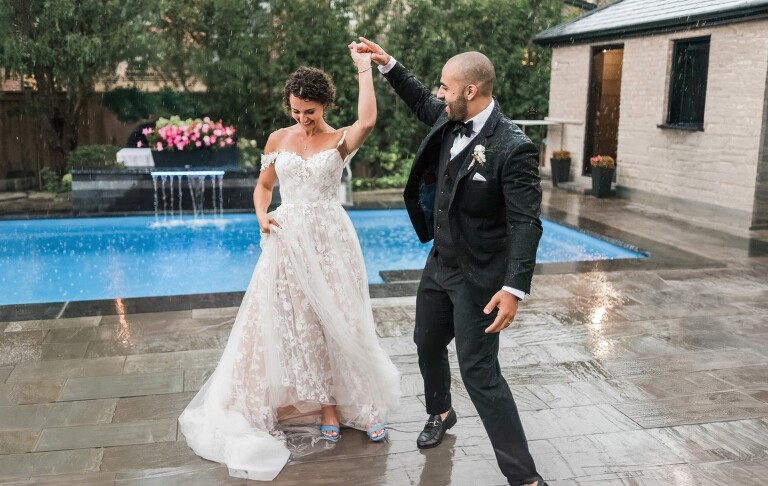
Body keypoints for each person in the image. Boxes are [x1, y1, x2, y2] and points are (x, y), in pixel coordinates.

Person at [178, 44, 400, 481]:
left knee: (345, 319)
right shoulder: (278, 140)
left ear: (324, 105)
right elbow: (263, 188)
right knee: (304, 325)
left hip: (332, 241)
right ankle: (328, 410)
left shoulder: (339, 139)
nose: (303, 118)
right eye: (297, 110)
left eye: (311, 111)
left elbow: (369, 119)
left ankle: (365, 404)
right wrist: (262, 217)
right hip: (288, 242)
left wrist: (363, 70)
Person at [354, 37, 547, 486]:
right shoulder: (450, 115)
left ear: (471, 92)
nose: (439, 94)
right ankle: (441, 411)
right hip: (440, 261)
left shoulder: (512, 147)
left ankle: (525, 478)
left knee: (480, 374)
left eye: (446, 87)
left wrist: (514, 288)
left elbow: (526, 223)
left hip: (480, 275)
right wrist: (388, 65)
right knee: (425, 341)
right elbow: (421, 100)